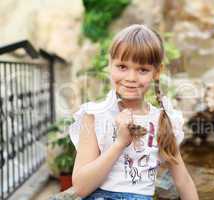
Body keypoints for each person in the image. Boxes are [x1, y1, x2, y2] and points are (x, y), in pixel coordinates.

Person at [69, 24, 199, 200]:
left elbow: (183, 182)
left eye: (142, 70)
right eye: (122, 66)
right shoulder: (95, 116)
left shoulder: (163, 120)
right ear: (110, 65)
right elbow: (81, 187)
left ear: (157, 72)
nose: (131, 78)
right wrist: (120, 143)